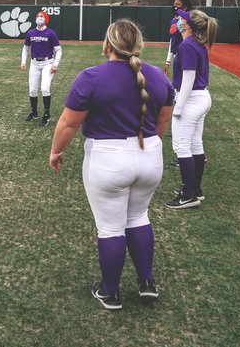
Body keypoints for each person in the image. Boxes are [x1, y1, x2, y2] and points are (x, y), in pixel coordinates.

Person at [49, 19, 174, 310]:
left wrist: (56, 151)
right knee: (139, 217)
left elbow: (68, 122)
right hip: (149, 154)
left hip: (108, 158)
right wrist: (148, 146)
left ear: (108, 46)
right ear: (138, 46)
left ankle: (110, 291)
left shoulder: (92, 77)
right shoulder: (157, 76)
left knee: (110, 228)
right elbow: (163, 120)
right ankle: (146, 282)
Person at [165, 8, 218, 209]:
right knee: (195, 144)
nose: (178, 20)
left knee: (181, 146)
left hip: (191, 98)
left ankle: (189, 195)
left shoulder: (188, 45)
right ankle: (195, 189)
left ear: (187, 25)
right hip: (200, 97)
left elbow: (188, 79)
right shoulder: (196, 43)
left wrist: (179, 106)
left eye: (181, 18)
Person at [20, 10, 62, 125]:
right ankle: (34, 113)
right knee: (33, 89)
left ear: (46, 19)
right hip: (34, 63)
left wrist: (55, 65)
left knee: (44, 88)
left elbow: (58, 50)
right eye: (38, 16)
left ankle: (47, 114)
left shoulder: (51, 33)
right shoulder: (31, 33)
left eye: (41, 16)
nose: (39, 18)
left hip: (47, 63)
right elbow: (26, 48)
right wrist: (23, 61)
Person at [163, 0, 194, 77]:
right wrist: (168, 61)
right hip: (176, 56)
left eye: (178, 4)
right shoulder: (173, 21)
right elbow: (172, 41)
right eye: (174, 4)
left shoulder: (187, 22)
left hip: (185, 54)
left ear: (184, 7)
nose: (175, 6)